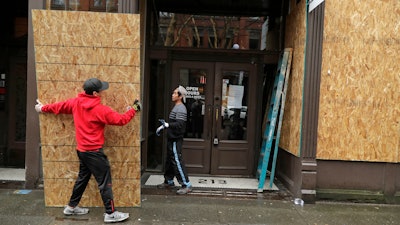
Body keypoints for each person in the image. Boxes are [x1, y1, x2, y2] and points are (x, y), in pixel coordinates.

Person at [35, 78, 141, 223]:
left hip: (82, 150)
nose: (103, 92)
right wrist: (134, 109)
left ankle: (71, 207)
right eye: (102, 90)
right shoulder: (100, 110)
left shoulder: (76, 103)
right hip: (94, 153)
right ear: (96, 93)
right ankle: (110, 213)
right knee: (105, 181)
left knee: (83, 178)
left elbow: (59, 107)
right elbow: (121, 120)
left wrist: (42, 108)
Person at [156, 85, 192, 194]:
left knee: (177, 160)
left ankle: (186, 184)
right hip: (172, 138)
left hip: (176, 139)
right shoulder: (176, 106)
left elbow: (179, 124)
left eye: (175, 93)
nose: (172, 95)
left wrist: (167, 125)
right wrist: (164, 126)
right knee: (170, 160)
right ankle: (169, 181)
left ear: (180, 96)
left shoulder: (181, 108)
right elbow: (173, 123)